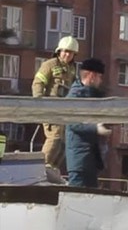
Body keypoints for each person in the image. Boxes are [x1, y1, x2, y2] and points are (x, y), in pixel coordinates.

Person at [32, 36, 79, 171]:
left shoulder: (71, 69)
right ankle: (40, 168)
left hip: (65, 111)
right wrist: (38, 102)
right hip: (51, 109)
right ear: (59, 51)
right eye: (65, 51)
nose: (67, 54)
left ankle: (52, 169)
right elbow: (38, 83)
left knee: (64, 143)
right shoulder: (50, 65)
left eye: (71, 52)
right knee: (55, 138)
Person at [65, 58, 110, 188]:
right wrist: (96, 128)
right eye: (100, 77)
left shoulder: (91, 95)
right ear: (92, 76)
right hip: (79, 159)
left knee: (90, 198)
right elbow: (73, 123)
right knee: (77, 198)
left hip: (89, 157)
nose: (101, 81)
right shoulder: (75, 96)